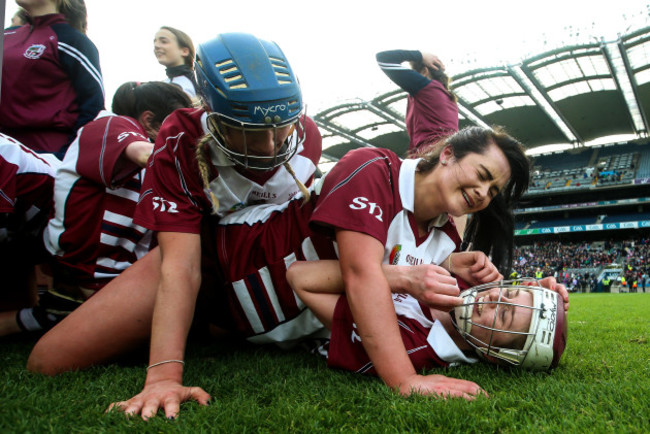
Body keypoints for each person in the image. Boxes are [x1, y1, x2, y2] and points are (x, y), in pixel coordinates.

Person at [30, 122, 529, 418]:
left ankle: (62, 302)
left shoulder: (447, 233)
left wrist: (536, 294)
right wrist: (404, 381)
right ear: (446, 154)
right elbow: (363, 277)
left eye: (492, 192)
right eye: (480, 176)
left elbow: (433, 292)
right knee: (48, 364)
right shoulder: (374, 168)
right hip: (215, 268)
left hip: (238, 327)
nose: (482, 194)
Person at [28, 31, 321, 413]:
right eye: (249, 131)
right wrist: (164, 376)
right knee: (50, 360)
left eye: (280, 126)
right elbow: (180, 265)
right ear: (211, 113)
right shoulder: (181, 138)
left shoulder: (307, 135)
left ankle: (217, 325)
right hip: (202, 259)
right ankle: (197, 325)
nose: (269, 145)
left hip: (258, 262)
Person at [0, 81, 192, 337]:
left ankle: (57, 312)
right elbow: (145, 154)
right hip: (94, 270)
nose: (188, 138)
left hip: (106, 270)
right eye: (180, 128)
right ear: (149, 120)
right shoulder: (113, 125)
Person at [288, 261, 567, 388]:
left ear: (493, 354)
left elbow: (300, 277)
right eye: (509, 292)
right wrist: (449, 260)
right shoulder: (463, 288)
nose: (494, 295)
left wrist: (399, 276)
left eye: (503, 314)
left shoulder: (411, 349)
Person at [1, 0, 104, 156]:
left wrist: (64, 158)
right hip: (4, 150)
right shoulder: (7, 36)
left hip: (45, 156)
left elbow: (93, 108)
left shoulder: (72, 40)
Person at [0, 133, 60, 336]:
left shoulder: (4, 152)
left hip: (62, 223)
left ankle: (44, 316)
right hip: (21, 228)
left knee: (68, 314)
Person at [376, 49, 458, 156]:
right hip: (448, 156)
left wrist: (421, 55)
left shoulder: (426, 87)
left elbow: (384, 58)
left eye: (415, 73)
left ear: (425, 71)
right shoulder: (449, 97)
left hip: (430, 156)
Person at [153, 26, 198, 98]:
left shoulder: (200, 83)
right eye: (155, 42)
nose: (156, 46)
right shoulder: (160, 86)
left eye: (164, 42)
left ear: (184, 51)